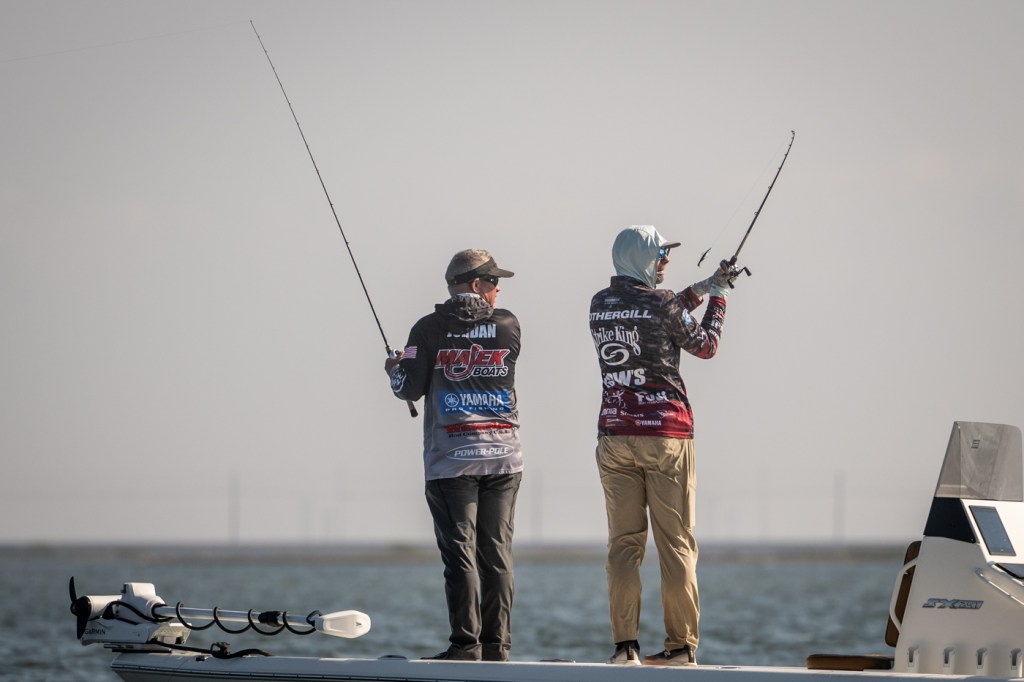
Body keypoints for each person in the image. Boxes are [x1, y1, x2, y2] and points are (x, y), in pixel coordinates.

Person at [589, 225, 739, 667]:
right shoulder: (663, 304)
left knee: (623, 545)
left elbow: (659, 311)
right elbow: (705, 346)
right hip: (666, 437)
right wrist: (719, 297)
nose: (666, 261)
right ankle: (680, 648)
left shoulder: (599, 304)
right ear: (643, 258)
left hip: (614, 435)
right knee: (676, 545)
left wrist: (702, 286)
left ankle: (625, 649)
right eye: (660, 255)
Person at [386, 249, 523, 662]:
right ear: (477, 284)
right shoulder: (509, 325)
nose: (498, 290)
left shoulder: (426, 329)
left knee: (460, 556)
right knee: (496, 554)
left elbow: (408, 388)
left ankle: (466, 646)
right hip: (503, 457)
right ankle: (497, 647)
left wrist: (394, 368)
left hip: (451, 463)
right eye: (494, 282)